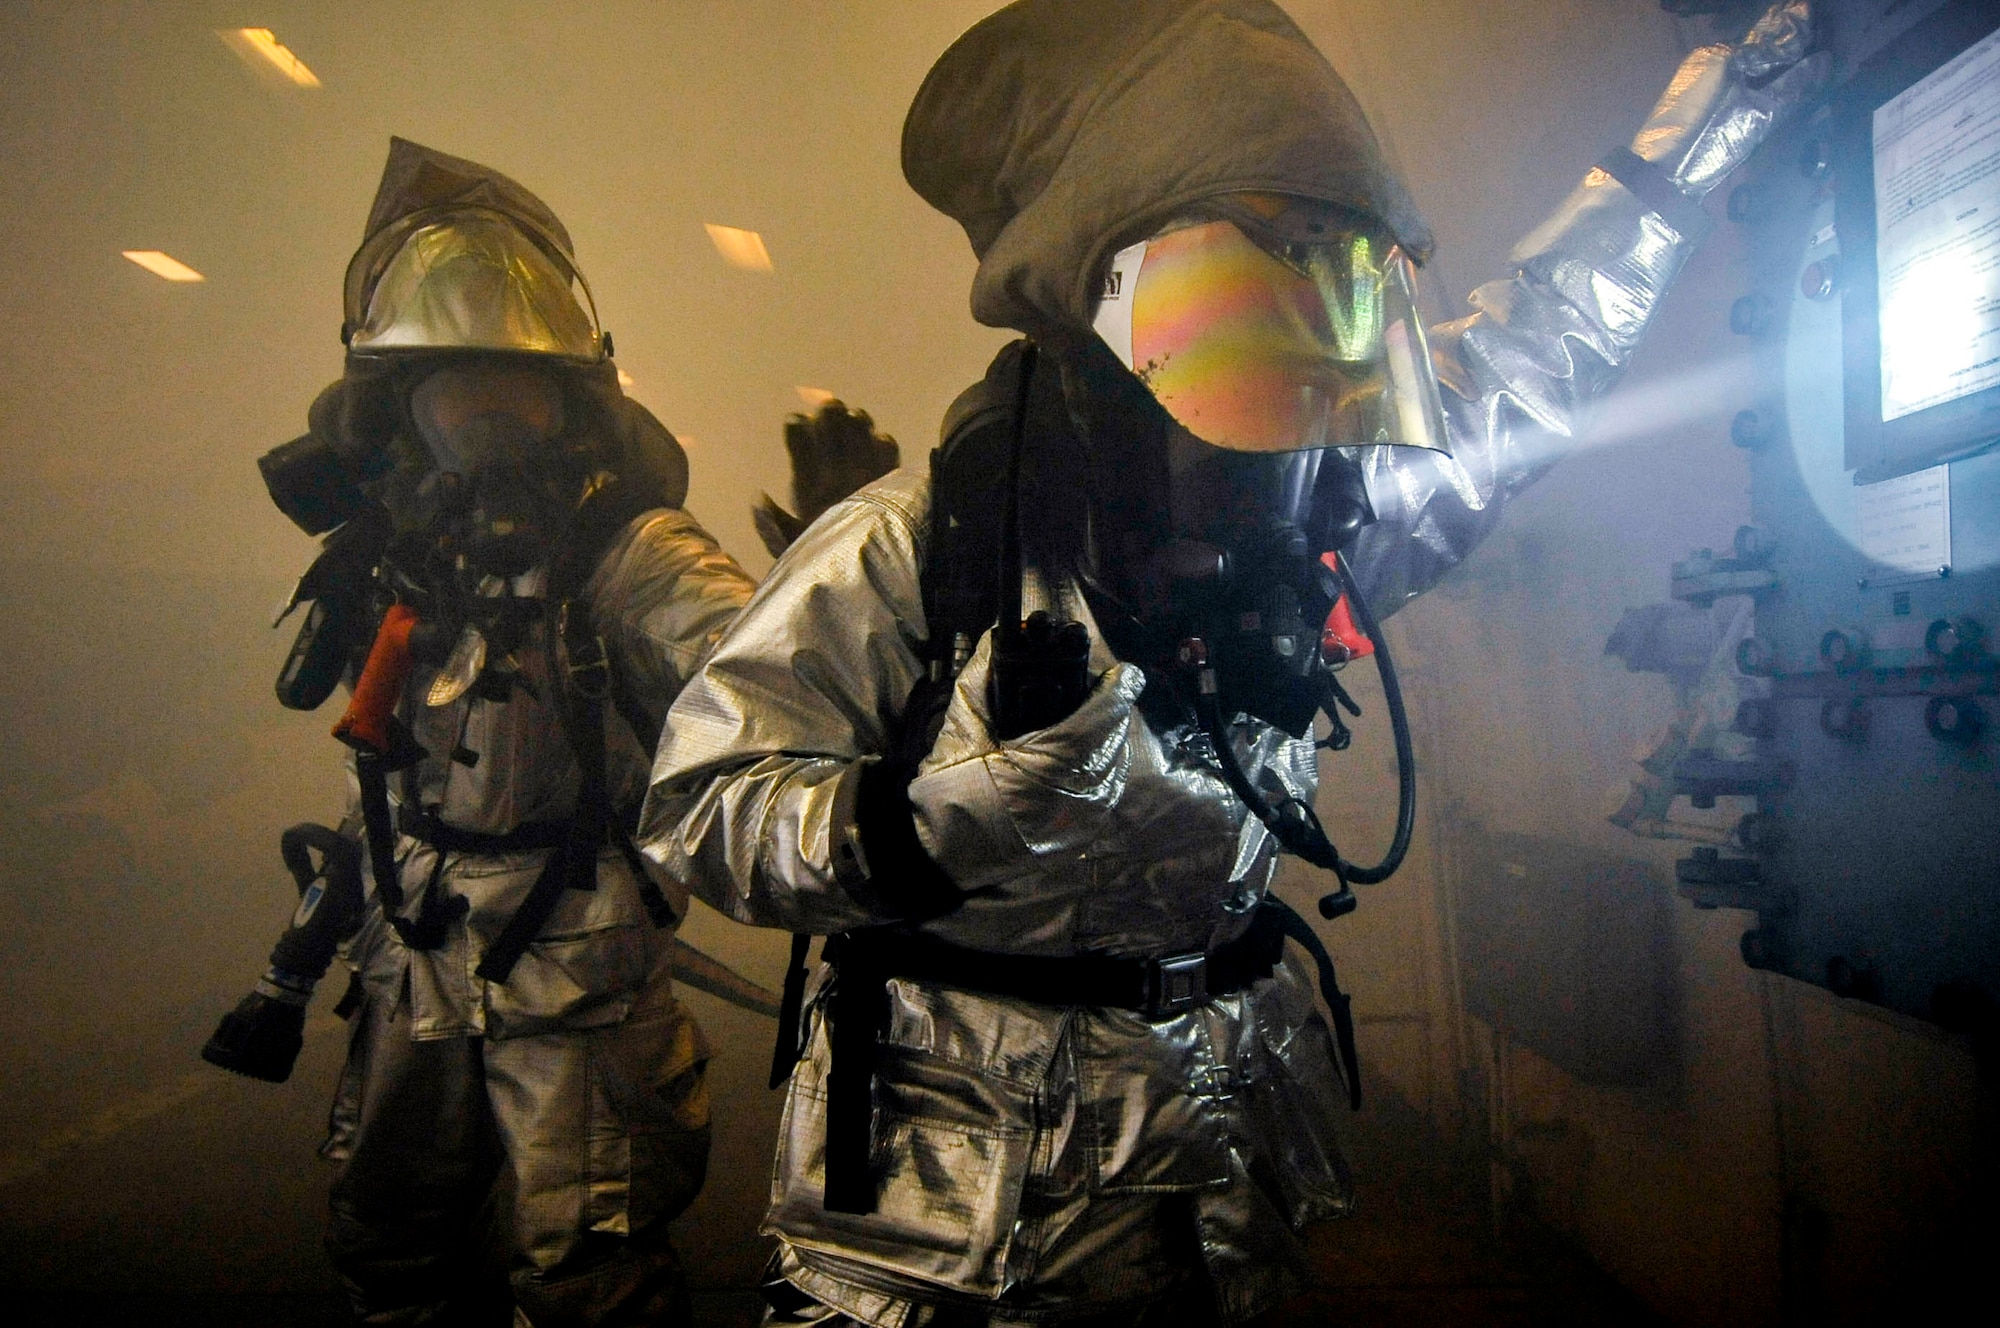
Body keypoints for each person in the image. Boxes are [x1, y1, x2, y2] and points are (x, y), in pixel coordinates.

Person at [637, 3, 1823, 1324]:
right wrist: (952, 819)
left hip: (1221, 1165)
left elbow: (1540, 354)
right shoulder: (917, 551)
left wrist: (1712, 113)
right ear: (1109, 339)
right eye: (1240, 304)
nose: (1281, 425)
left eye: (1327, 292)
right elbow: (701, 817)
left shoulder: (1325, 521)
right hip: (956, 1212)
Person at [260, 138, 760, 1326]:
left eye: (510, 394)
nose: (483, 427)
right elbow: (380, 772)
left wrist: (834, 590)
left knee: (587, 1274)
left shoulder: (636, 554)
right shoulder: (399, 557)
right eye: (453, 396)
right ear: (403, 416)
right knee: (386, 1242)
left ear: (570, 404)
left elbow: (765, 674)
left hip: (578, 964)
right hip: (412, 947)